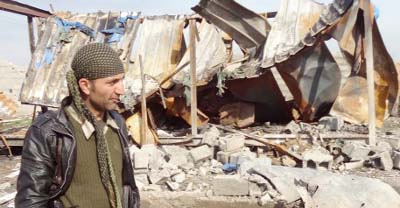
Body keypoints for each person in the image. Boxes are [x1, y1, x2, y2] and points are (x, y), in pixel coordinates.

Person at [15, 43, 140, 208]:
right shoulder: (49, 131)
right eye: (112, 82)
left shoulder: (117, 123)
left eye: (121, 80)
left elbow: (127, 186)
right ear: (85, 86)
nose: (121, 90)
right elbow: (31, 200)